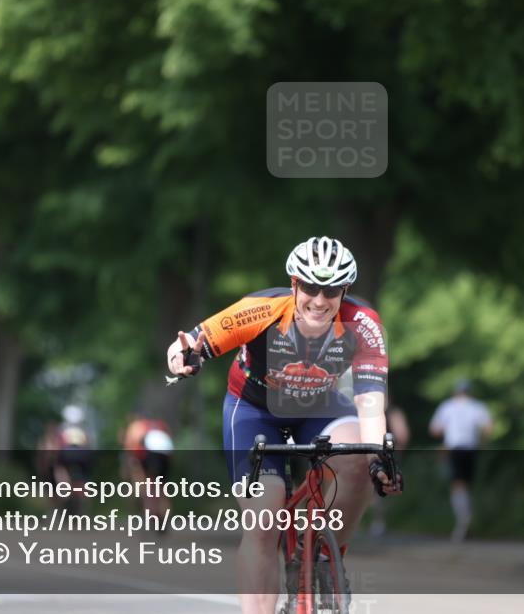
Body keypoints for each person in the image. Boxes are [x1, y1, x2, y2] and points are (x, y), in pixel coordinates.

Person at [166, 236, 403, 614]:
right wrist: (182, 358)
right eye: (310, 287)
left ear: (345, 291)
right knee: (264, 519)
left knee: (359, 460)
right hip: (254, 410)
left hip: (319, 406)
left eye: (331, 291)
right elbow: (186, 344)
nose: (320, 300)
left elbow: (370, 402)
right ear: (294, 284)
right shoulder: (261, 310)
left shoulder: (362, 324)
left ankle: (324, 558)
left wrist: (377, 460)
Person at [429, 378, 492, 542]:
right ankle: (466, 521)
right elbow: (488, 428)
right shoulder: (477, 406)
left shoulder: (447, 406)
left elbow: (434, 429)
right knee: (467, 485)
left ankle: (462, 522)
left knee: (457, 485)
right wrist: (482, 441)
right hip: (471, 448)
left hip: (454, 448)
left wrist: (446, 434)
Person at [120, 413, 174, 520]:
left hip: (149, 451)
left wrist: (129, 469)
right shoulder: (156, 425)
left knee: (147, 485)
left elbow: (131, 448)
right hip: (167, 450)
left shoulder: (135, 427)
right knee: (162, 487)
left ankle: (150, 513)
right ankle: (164, 515)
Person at [368, 404, 410, 537]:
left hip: (372, 454)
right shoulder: (393, 412)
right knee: (386, 485)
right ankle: (384, 520)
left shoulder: (370, 413)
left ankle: (378, 521)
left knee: (377, 488)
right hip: (389, 454)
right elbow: (402, 436)